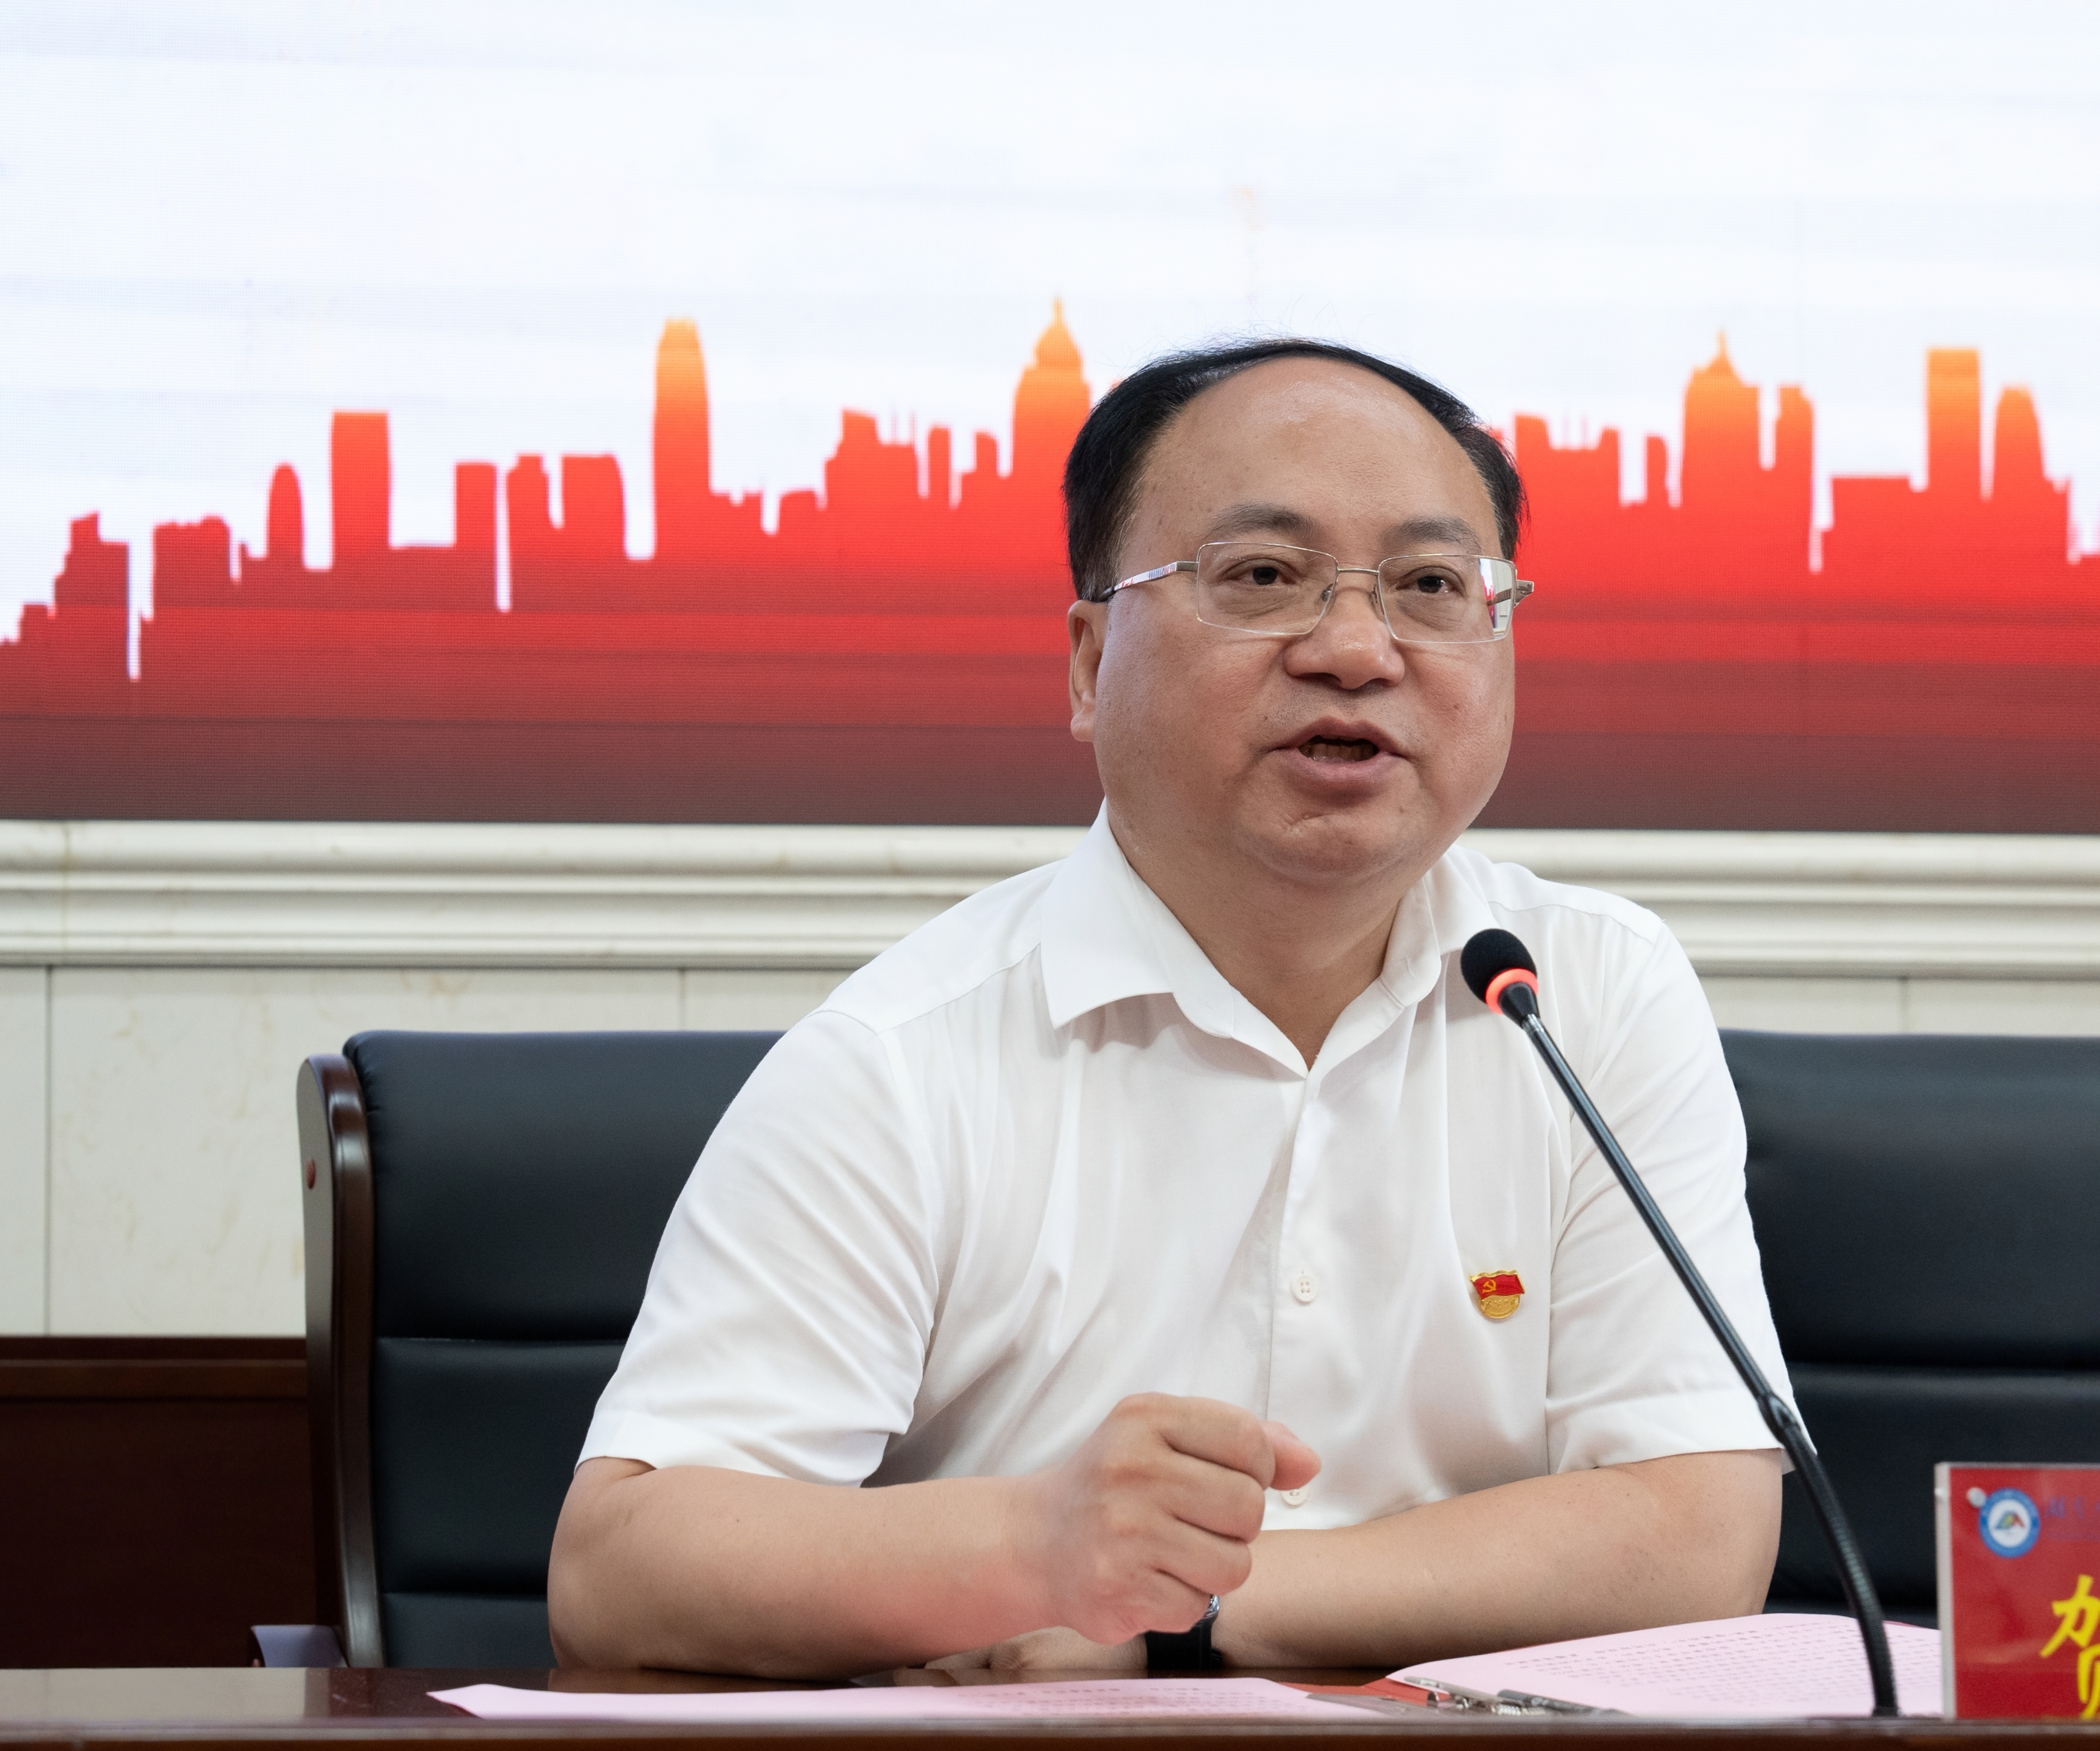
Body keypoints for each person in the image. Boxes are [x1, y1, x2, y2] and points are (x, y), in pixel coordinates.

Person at [547, 339, 1794, 1678]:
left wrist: (1170, 1612)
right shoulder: (905, 1058)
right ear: (1090, 664)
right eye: (1264, 576)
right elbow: (621, 1569)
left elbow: (1696, 1535)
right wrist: (1028, 1546)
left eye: (1432, 586)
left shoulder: (1582, 995)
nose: (1357, 649)